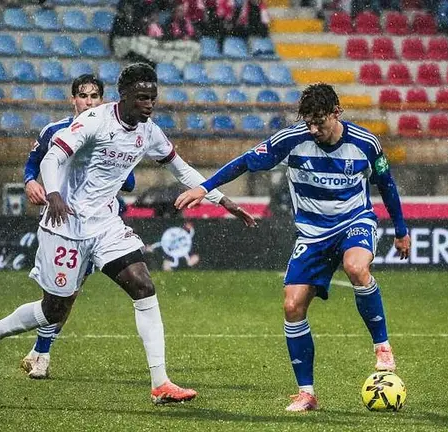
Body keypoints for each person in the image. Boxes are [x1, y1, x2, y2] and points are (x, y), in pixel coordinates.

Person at [0, 63, 257, 405]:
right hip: (66, 225)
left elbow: (182, 170)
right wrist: (54, 193)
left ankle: (160, 383)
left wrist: (222, 199)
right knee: (53, 310)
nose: (149, 104)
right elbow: (52, 158)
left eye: (153, 97)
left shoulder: (149, 131)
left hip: (106, 225)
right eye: (142, 98)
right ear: (124, 96)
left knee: (143, 285)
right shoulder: (95, 121)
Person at [175, 83, 411, 412]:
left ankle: (382, 346)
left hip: (354, 222)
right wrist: (205, 187)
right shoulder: (292, 139)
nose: (314, 129)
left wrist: (401, 229)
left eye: (320, 122)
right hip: (312, 235)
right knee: (291, 307)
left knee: (357, 268)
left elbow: (386, 183)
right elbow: (245, 161)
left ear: (336, 113)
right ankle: (307, 393)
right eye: (309, 122)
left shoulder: (365, 143)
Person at [19, 74, 137, 379]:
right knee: (55, 296)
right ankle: (16, 341)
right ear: (73, 99)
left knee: (69, 295)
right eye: (84, 96)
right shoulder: (54, 131)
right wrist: (31, 182)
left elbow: (129, 181)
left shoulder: (110, 133)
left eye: (95, 96)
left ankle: (41, 353)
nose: (90, 101)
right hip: (61, 223)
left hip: (95, 227)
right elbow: (34, 162)